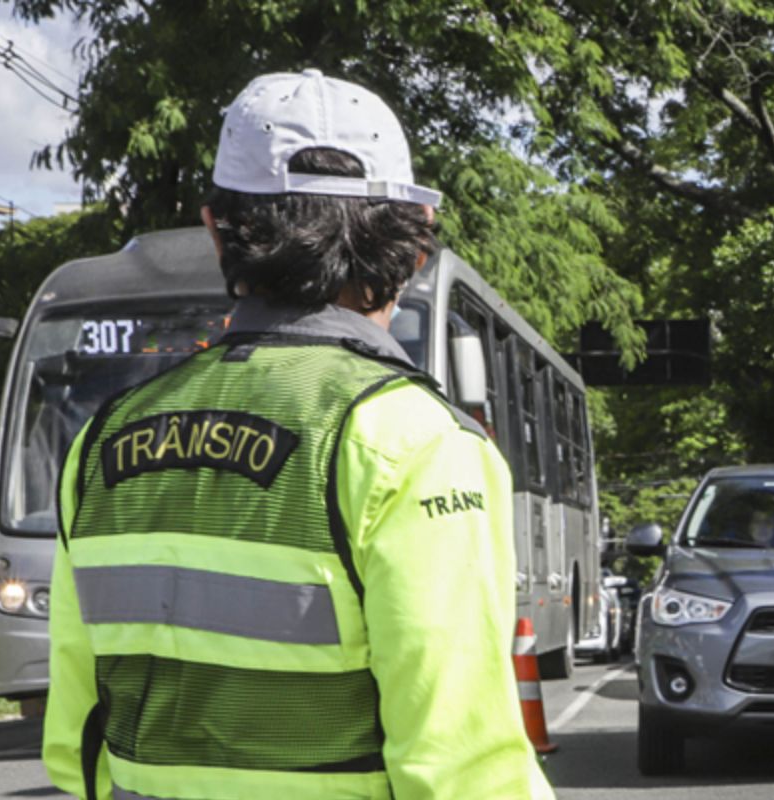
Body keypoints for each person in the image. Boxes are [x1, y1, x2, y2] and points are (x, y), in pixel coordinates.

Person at [41, 70, 555, 799]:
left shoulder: (103, 440)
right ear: (413, 250)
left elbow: (76, 742)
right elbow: (460, 765)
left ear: (217, 233)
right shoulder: (416, 442)